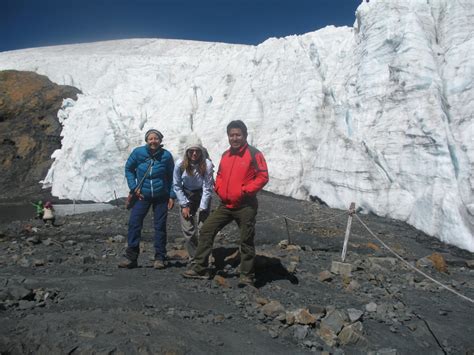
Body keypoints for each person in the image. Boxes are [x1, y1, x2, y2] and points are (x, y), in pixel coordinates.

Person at [182, 120, 269, 287]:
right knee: (207, 229)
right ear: (228, 137)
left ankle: (247, 275)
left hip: (245, 205)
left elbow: (263, 176)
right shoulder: (226, 155)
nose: (235, 138)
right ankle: (200, 267)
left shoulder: (253, 154)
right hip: (225, 204)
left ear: (245, 135)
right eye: (231, 135)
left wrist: (246, 190)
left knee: (246, 239)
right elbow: (220, 174)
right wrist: (219, 188)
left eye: (238, 135)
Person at [119, 129, 176, 270]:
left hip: (161, 196)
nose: (153, 141)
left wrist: (171, 195)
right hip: (142, 196)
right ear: (146, 140)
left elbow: (172, 177)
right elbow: (129, 169)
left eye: (156, 138)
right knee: (134, 223)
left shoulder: (166, 156)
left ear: (160, 141)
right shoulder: (138, 153)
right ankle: (131, 257)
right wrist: (134, 187)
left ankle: (160, 257)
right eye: (150, 138)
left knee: (160, 226)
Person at [173, 142, 214, 261]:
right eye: (191, 151)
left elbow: (207, 187)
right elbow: (176, 185)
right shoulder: (180, 164)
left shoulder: (207, 164)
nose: (194, 153)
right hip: (186, 195)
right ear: (187, 152)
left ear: (201, 152)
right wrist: (184, 204)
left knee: (204, 228)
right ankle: (194, 258)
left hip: (202, 194)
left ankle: (204, 259)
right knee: (188, 230)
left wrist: (203, 208)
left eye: (197, 151)